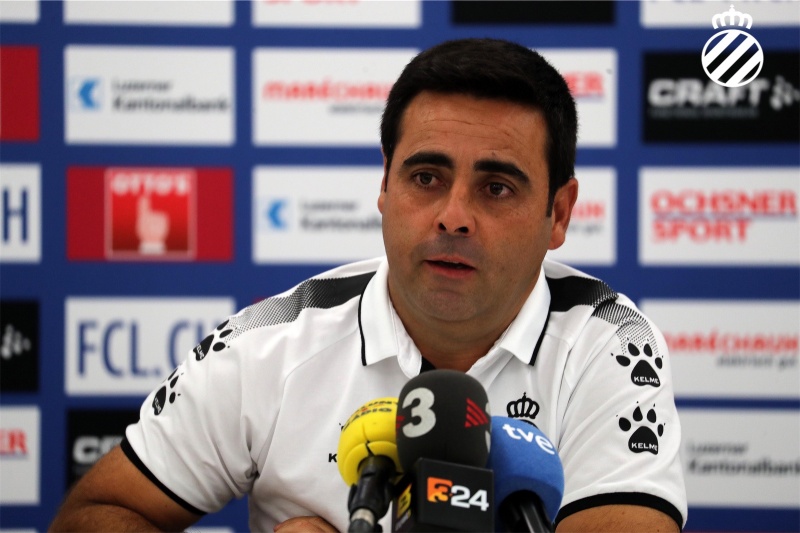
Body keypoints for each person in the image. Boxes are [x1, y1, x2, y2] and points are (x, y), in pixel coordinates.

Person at [50, 38, 687, 532]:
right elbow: (96, 513)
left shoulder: (611, 346)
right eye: (426, 178)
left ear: (559, 214)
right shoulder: (269, 342)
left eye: (496, 188)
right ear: (384, 185)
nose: (454, 216)